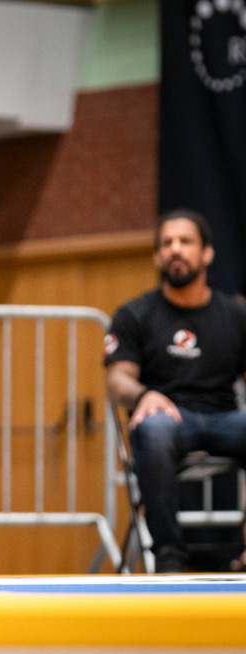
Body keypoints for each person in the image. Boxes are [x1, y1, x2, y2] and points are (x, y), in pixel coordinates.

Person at [105, 209, 246, 573]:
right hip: (169, 416)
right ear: (156, 256)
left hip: (224, 416)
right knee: (153, 429)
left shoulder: (235, 315)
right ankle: (169, 556)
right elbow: (118, 379)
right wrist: (142, 396)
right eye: (166, 243)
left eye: (185, 241)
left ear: (207, 253)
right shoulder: (135, 314)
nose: (175, 249)